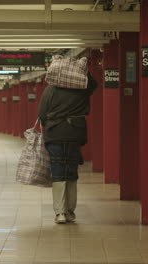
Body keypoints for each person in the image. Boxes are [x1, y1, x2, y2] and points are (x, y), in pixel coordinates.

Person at [38, 70, 97, 224]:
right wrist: (84, 72)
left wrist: (50, 125)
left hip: (55, 134)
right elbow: (94, 85)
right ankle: (70, 211)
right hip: (75, 134)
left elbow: (42, 114)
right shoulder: (80, 87)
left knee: (58, 171)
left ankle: (60, 213)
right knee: (71, 171)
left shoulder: (51, 89)